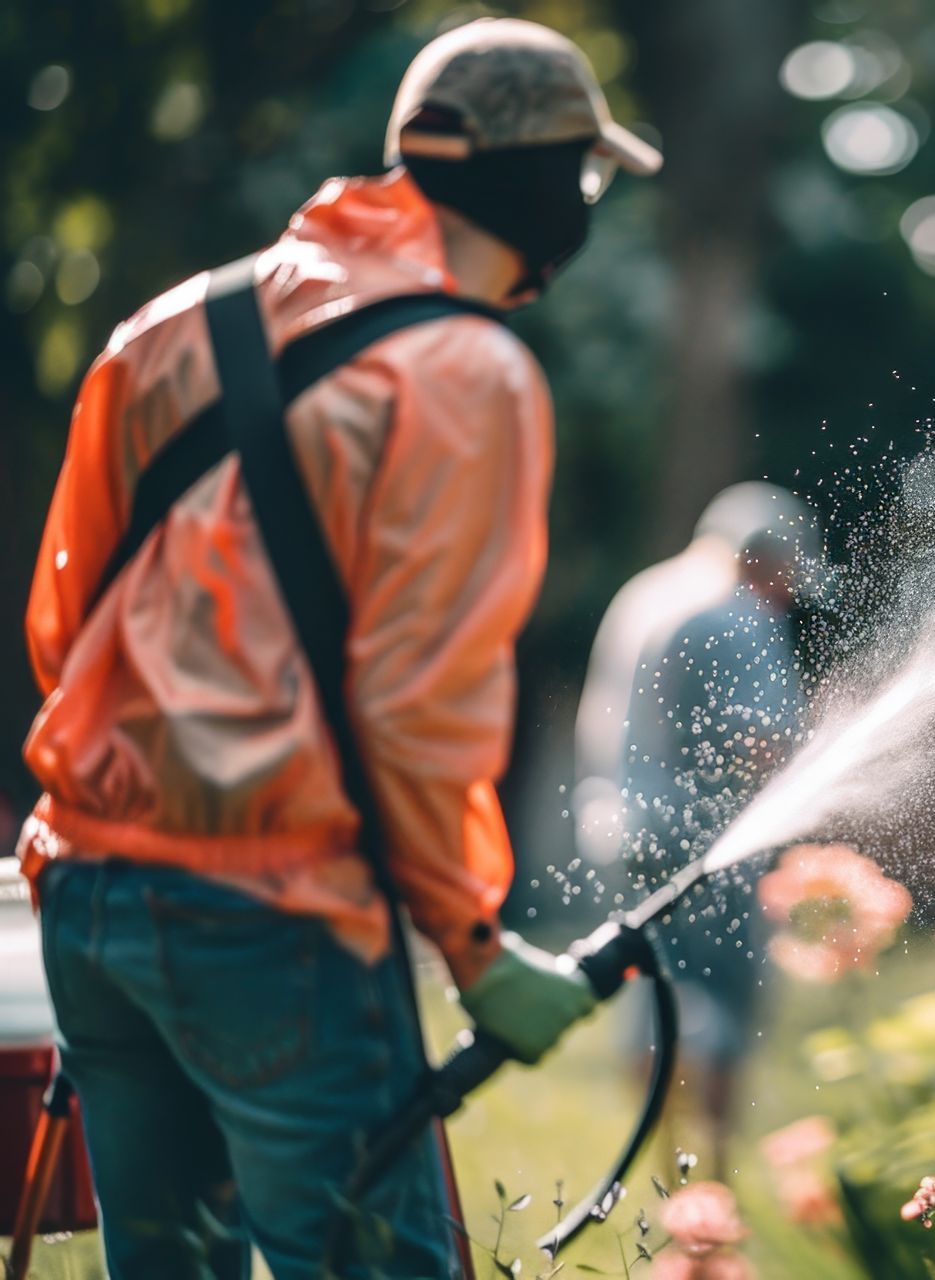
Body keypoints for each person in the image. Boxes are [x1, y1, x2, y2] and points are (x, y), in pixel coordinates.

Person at [17, 19, 660, 1278]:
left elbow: (67, 624)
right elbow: (422, 705)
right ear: (536, 177)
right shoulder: (466, 372)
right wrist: (475, 948)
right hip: (274, 917)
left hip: (89, 895)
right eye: (584, 173)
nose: (584, 204)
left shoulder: (170, 326)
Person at [575, 483, 817, 1154]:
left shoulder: (646, 592)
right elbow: (763, 741)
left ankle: (660, 1169)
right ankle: (711, 1178)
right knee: (721, 1005)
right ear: (764, 558)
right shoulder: (734, 612)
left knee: (652, 1000)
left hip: (624, 825)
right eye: (788, 577)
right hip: (705, 843)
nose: (787, 596)